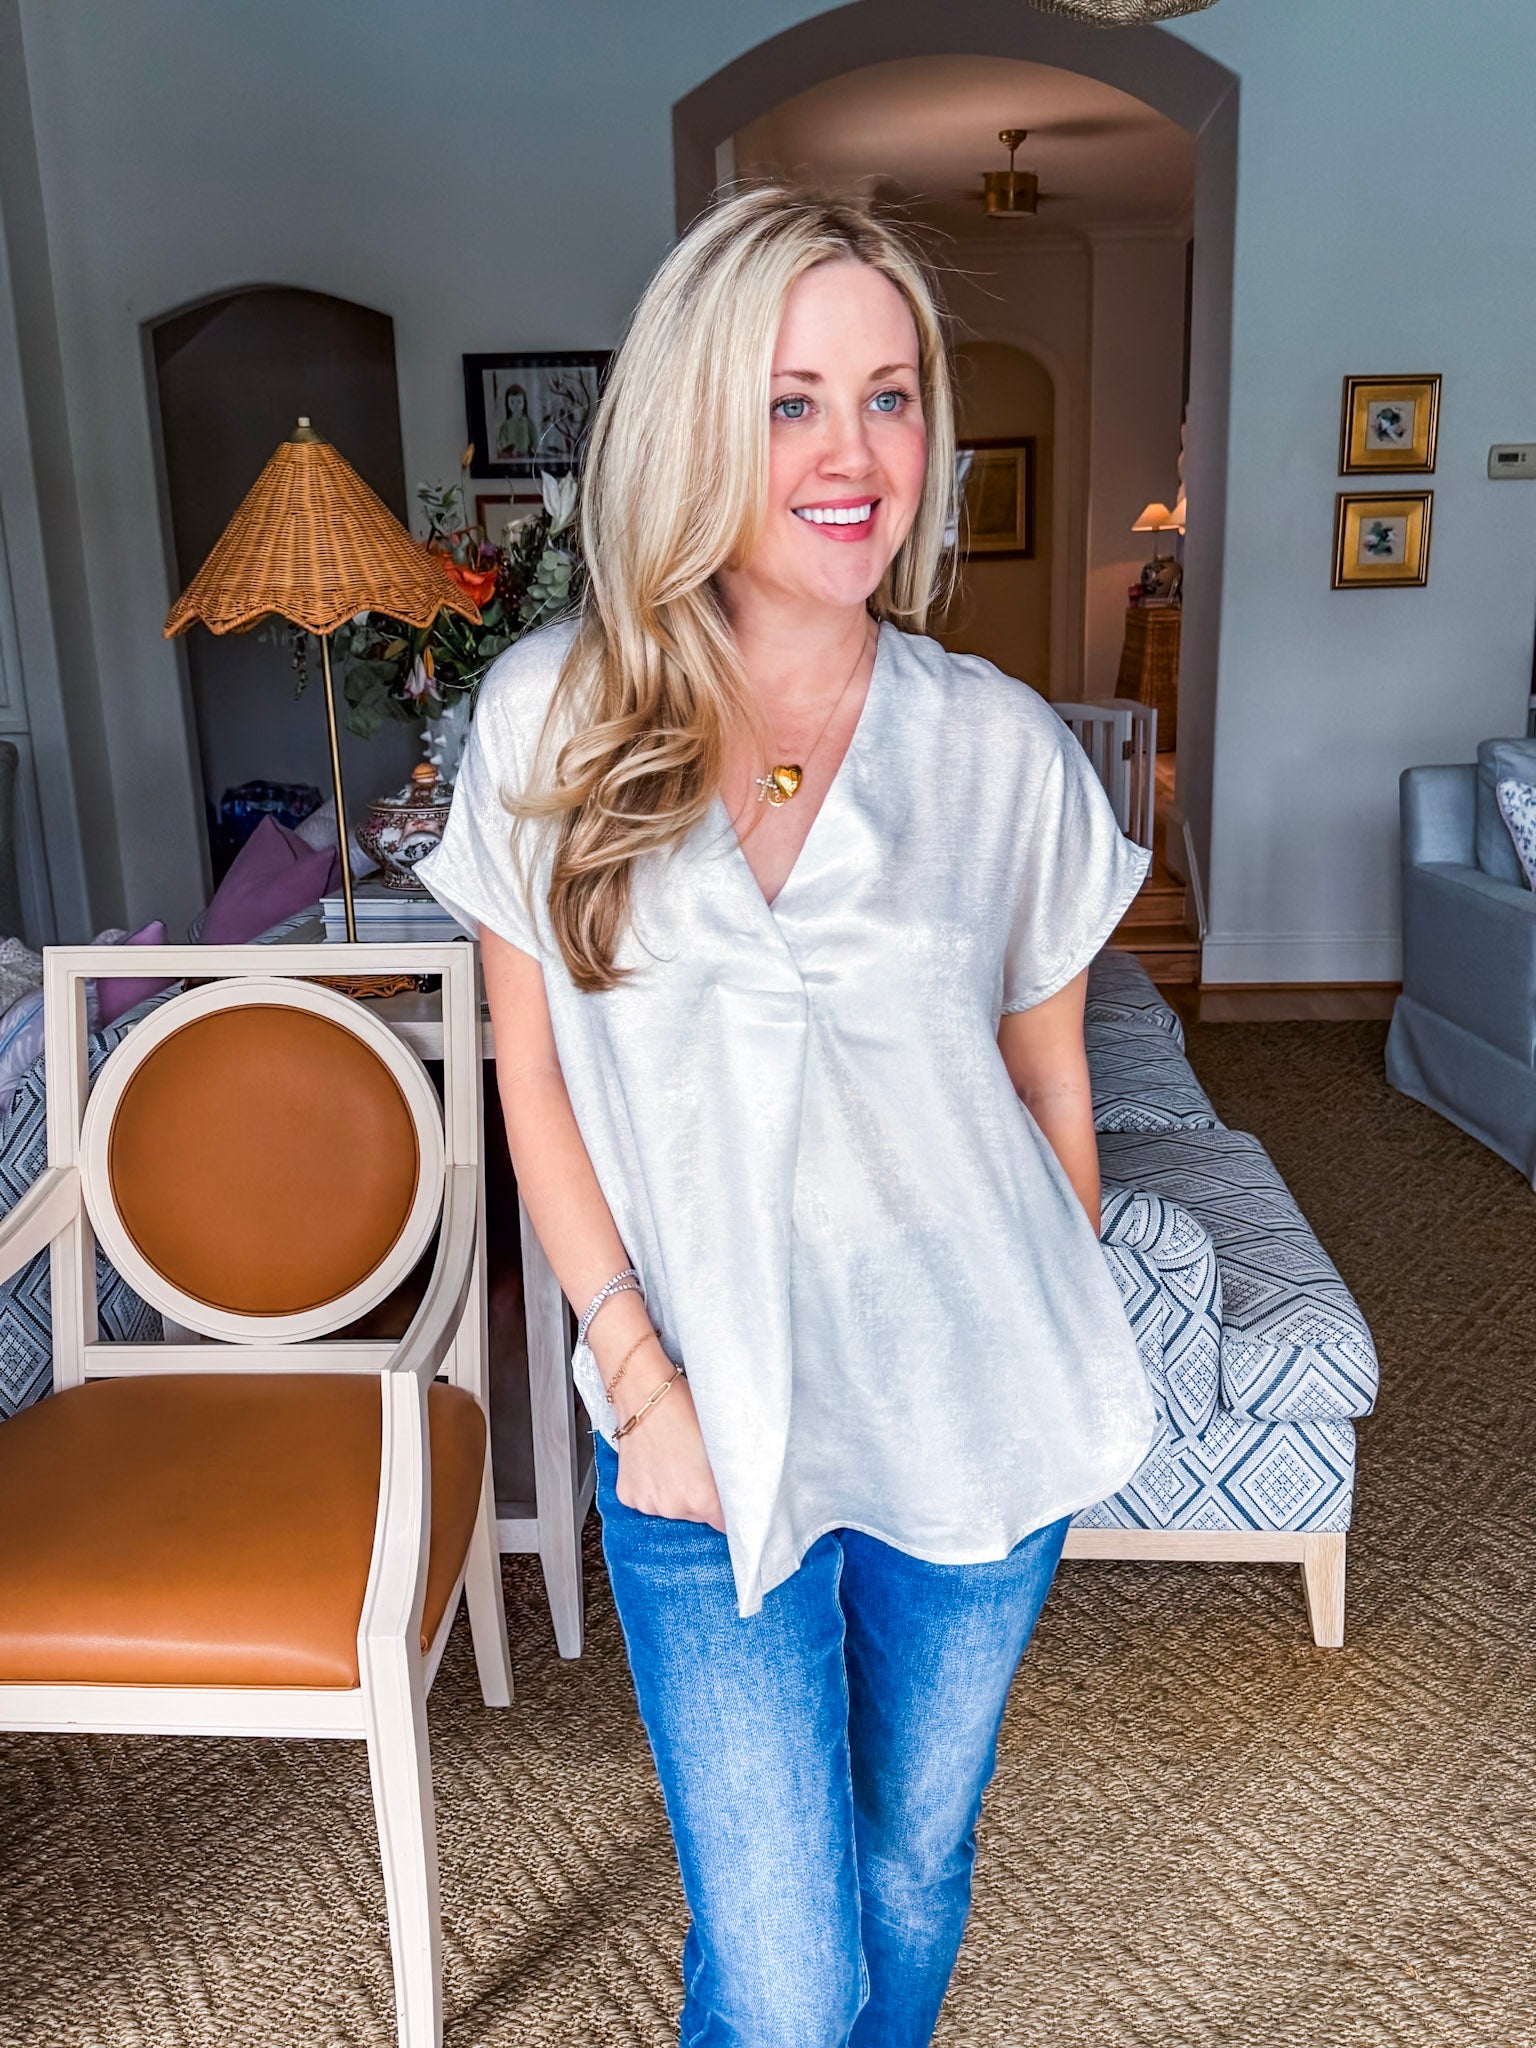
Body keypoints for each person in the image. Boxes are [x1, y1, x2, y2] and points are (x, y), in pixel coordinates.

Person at [419, 185, 1157, 2048]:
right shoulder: (552, 718)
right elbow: (533, 1074)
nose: (855, 454)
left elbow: (1048, 1081)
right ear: (695, 424)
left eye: (891, 397)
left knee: (909, 1866)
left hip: (972, 1409)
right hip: (698, 1424)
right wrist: (636, 1376)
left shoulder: (1002, 749)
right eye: (791, 402)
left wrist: (1044, 1312)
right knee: (785, 1966)